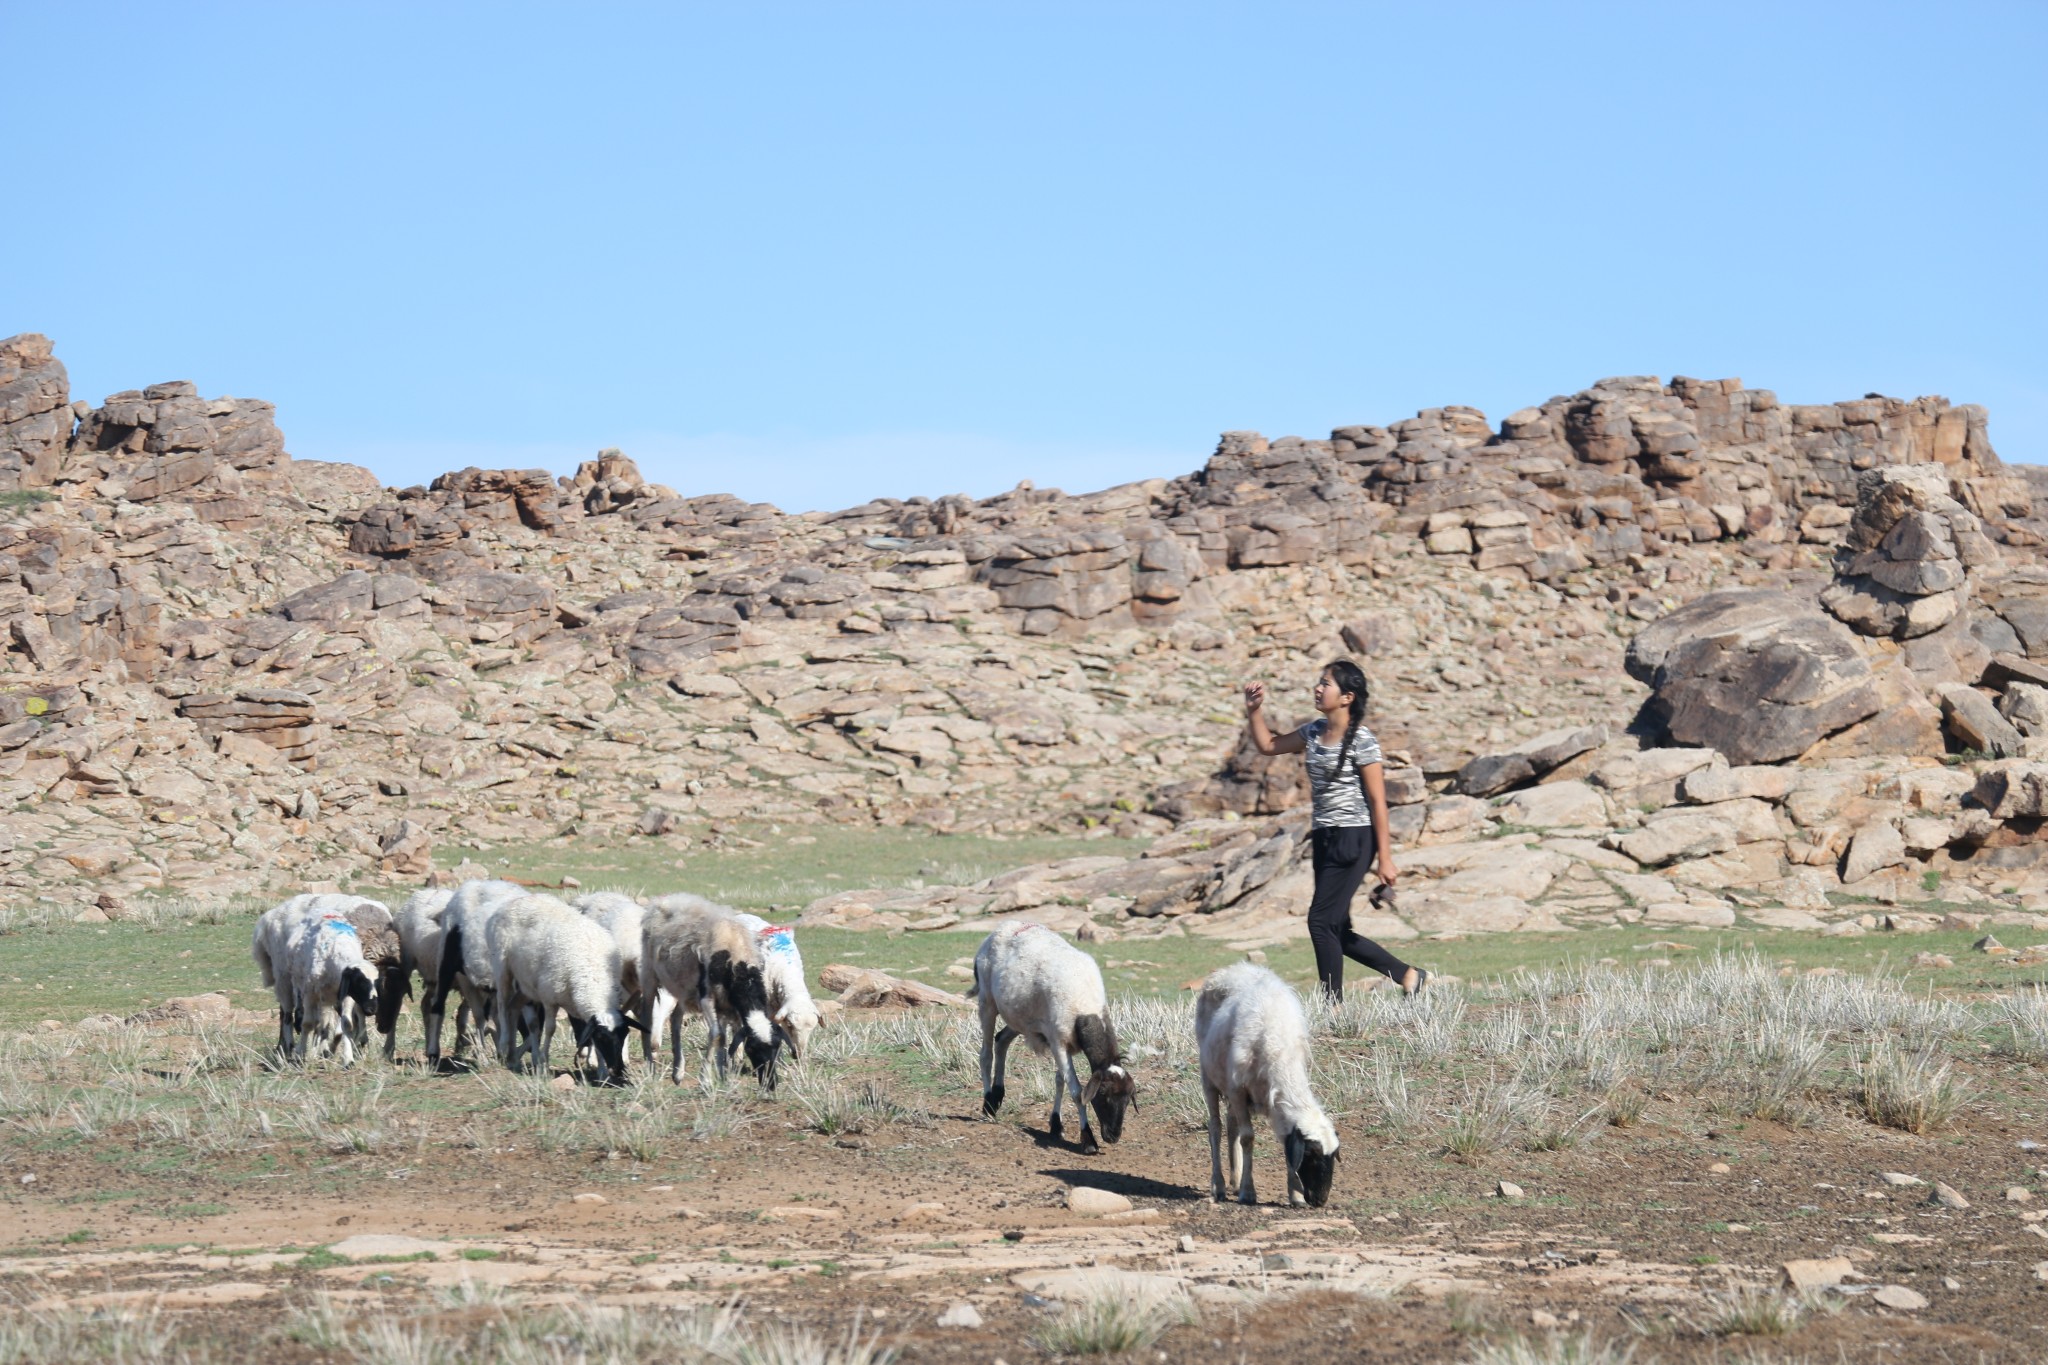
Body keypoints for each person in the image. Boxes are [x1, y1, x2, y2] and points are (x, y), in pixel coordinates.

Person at [1243, 659, 1427, 1000]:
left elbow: (1377, 802)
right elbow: (1267, 746)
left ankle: (1333, 1006)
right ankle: (1408, 975)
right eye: (1319, 682)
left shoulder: (1363, 740)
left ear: (1347, 697)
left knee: (1319, 922)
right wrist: (1255, 711)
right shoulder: (1313, 732)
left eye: (1326, 684)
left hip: (1355, 837)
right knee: (1335, 928)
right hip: (1325, 838)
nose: (1317, 688)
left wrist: (1385, 859)